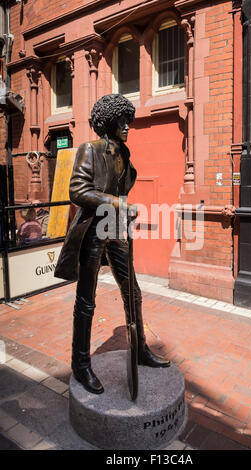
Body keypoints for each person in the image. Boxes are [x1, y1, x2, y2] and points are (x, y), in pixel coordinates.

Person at [54, 94, 170, 394]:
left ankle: (140, 350)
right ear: (108, 123)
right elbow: (78, 190)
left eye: (127, 121)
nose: (127, 126)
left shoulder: (124, 153)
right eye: (121, 122)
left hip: (117, 230)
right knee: (86, 301)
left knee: (133, 292)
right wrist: (118, 202)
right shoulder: (89, 150)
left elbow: (123, 186)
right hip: (93, 230)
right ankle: (80, 365)